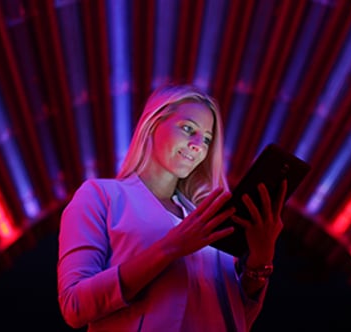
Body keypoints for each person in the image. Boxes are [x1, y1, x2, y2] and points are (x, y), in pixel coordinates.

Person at [57, 84, 287, 331]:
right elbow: (74, 305)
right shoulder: (101, 196)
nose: (198, 145)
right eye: (188, 129)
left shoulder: (208, 218)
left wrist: (261, 259)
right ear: (153, 124)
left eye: (207, 139)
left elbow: (239, 319)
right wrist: (171, 247)